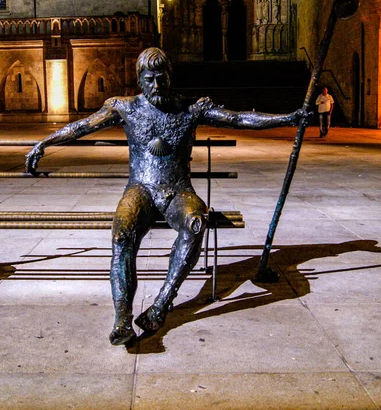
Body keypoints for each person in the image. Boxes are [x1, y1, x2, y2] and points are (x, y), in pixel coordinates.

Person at [25, 47, 307, 346]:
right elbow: (81, 126)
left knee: (196, 222)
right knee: (122, 236)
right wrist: (45, 142)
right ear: (139, 80)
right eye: (150, 79)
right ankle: (122, 319)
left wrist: (288, 118)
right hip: (141, 188)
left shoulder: (191, 109)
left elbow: (238, 119)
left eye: (161, 78)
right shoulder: (126, 108)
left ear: (170, 76)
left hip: (178, 190)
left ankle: (162, 304)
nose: (156, 85)